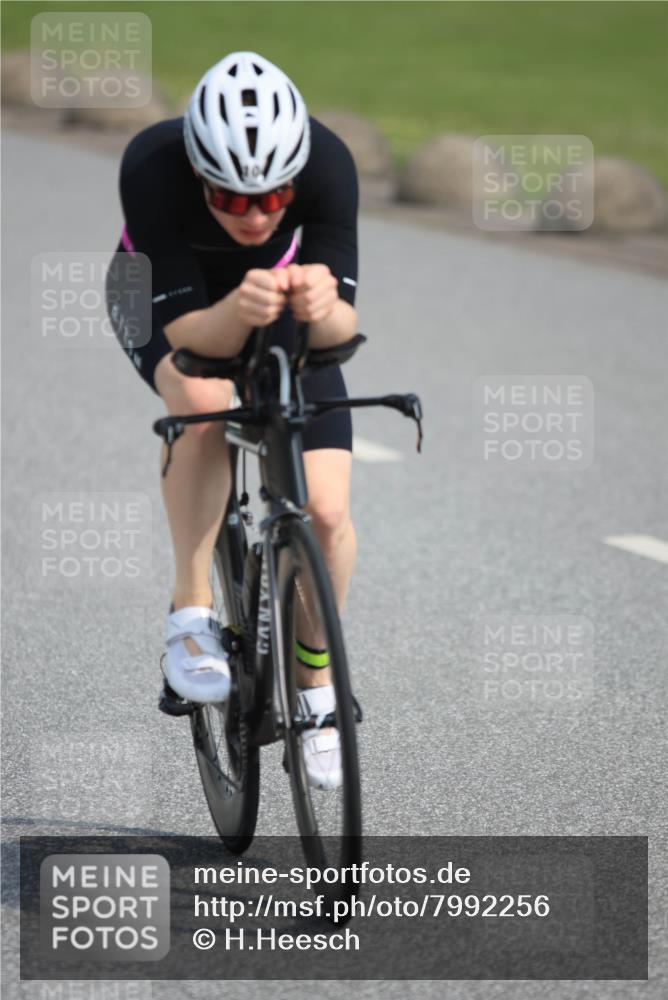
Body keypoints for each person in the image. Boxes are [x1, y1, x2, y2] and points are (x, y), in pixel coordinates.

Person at [106, 51, 360, 790]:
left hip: (276, 303)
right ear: (197, 171)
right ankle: (190, 613)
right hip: (162, 296)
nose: (255, 214)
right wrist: (234, 312)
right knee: (205, 403)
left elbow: (344, 326)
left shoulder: (330, 163)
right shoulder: (152, 163)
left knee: (326, 509)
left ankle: (318, 686)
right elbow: (189, 337)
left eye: (274, 197)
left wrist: (321, 302)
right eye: (230, 197)